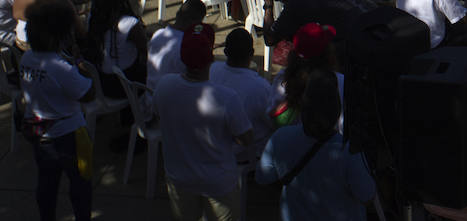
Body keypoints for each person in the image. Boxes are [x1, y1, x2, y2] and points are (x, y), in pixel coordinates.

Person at [155, 23, 254, 219]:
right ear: (210, 58)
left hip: (179, 178)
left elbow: (160, 117)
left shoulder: (164, 86)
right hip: (218, 182)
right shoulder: (226, 97)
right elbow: (246, 139)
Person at [257, 68, 376, 221]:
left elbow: (263, 178)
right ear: (337, 109)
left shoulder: (280, 137)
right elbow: (367, 197)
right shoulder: (349, 150)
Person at [20, 0, 97, 221]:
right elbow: (88, 93)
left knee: (46, 184)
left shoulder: (27, 58)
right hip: (70, 135)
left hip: (39, 132)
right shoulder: (61, 67)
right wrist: (81, 65)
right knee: (81, 183)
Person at [210, 28, 276, 164]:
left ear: (225, 52)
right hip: (243, 153)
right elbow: (271, 122)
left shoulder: (212, 70)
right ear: (251, 54)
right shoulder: (261, 86)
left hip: (213, 144)